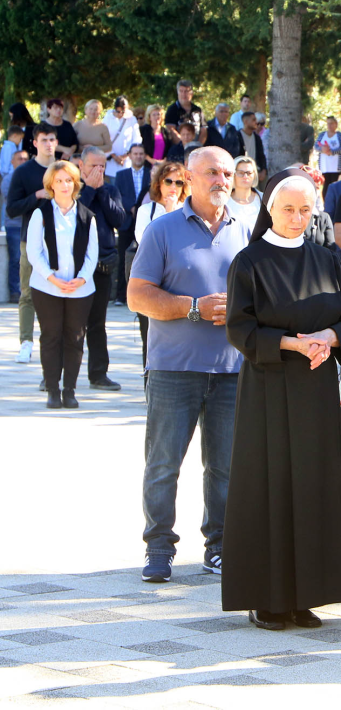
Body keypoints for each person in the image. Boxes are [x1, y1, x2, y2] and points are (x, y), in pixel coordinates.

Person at [222, 168, 341, 631]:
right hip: (268, 385)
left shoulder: (326, 259)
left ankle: (307, 595)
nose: (297, 218)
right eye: (288, 209)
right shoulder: (249, 261)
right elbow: (240, 329)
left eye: (306, 209)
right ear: (269, 209)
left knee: (312, 486)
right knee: (269, 486)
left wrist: (327, 337)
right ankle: (268, 598)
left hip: (315, 388)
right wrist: (292, 344)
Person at [128, 147, 250, 583]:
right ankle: (158, 546)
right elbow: (137, 296)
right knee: (163, 463)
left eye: (226, 172)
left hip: (232, 369)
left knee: (224, 466)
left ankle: (218, 546)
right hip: (173, 369)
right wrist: (193, 307)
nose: (221, 179)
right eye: (212, 173)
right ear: (190, 179)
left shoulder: (248, 230)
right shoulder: (162, 230)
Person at [25, 160, 98, 409]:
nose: (64, 185)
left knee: (75, 338)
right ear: (51, 185)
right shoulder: (40, 214)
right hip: (47, 287)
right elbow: (34, 253)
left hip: (80, 288)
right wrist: (53, 278)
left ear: (75, 184)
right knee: (51, 336)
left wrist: (82, 278)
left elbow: (92, 254)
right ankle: (53, 389)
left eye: (69, 180)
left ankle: (70, 390)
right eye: (59, 181)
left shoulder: (87, 216)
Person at [8, 125, 59, 364]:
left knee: (60, 292)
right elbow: (12, 208)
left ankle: (57, 342)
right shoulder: (24, 172)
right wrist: (36, 196)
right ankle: (26, 342)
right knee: (27, 293)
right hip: (31, 241)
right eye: (44, 139)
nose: (49, 144)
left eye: (52, 139)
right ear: (35, 143)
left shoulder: (64, 170)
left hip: (62, 241)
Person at [77, 146, 126, 392]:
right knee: (71, 324)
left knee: (97, 323)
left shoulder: (111, 189)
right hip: (75, 267)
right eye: (93, 166)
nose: (98, 170)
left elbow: (119, 220)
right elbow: (77, 217)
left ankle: (98, 374)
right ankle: (58, 374)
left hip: (103, 264)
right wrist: (88, 191)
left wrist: (101, 193)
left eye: (102, 166)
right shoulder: (72, 188)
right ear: (81, 167)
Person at [131, 161, 189, 367]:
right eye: (169, 181)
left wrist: (175, 210)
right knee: (148, 334)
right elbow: (144, 240)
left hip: (180, 280)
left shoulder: (189, 212)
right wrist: (169, 213)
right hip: (152, 279)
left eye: (179, 182)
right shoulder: (147, 209)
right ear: (159, 184)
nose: (173, 186)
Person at [114, 143, 151, 305]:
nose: (138, 156)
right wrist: (132, 207)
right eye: (135, 154)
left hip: (146, 221)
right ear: (129, 155)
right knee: (123, 258)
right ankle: (121, 296)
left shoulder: (151, 174)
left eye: (141, 154)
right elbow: (118, 195)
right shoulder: (121, 175)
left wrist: (141, 208)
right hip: (127, 222)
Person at [2, 148, 28, 302]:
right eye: (20, 159)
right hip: (14, 225)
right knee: (16, 260)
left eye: (25, 159)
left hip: (31, 224)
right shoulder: (8, 179)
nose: (23, 162)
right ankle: (14, 292)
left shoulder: (31, 177)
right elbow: (12, 204)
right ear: (12, 162)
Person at [103, 97, 140, 181]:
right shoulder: (108, 118)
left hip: (127, 160)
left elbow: (136, 138)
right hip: (111, 160)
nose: (121, 114)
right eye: (118, 111)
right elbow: (104, 138)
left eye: (123, 112)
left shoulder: (131, 119)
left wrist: (126, 155)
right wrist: (114, 156)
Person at [224, 156, 263, 230]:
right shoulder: (224, 201)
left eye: (249, 173)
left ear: (254, 175)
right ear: (233, 174)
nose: (245, 176)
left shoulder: (264, 199)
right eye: (240, 173)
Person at [164, 79, 207, 145]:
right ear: (177, 92)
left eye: (187, 91)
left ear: (191, 93)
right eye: (181, 91)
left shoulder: (198, 110)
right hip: (179, 149)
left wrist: (198, 146)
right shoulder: (172, 110)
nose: (184, 94)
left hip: (196, 148)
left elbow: (203, 131)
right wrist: (184, 145)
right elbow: (171, 131)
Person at [316, 116, 341, 191]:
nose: (330, 125)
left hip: (336, 165)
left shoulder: (340, 136)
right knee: (325, 185)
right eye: (328, 124)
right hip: (324, 165)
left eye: (332, 123)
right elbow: (316, 146)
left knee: (334, 184)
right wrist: (323, 150)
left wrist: (332, 152)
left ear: (336, 124)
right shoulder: (322, 135)